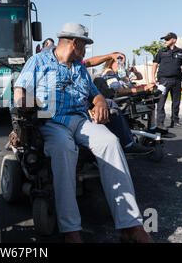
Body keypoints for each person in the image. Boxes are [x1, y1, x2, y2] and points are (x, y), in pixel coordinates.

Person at [11, 22, 153, 243]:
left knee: (110, 142)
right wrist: (28, 102)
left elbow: (95, 95)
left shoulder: (79, 68)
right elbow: (19, 92)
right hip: (51, 122)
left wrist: (100, 104)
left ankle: (130, 224)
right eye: (84, 45)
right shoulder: (38, 61)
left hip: (80, 120)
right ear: (75, 43)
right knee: (64, 149)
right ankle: (71, 230)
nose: (86, 51)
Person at [151, 32, 182, 129]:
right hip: (163, 80)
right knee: (161, 102)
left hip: (177, 81)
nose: (165, 41)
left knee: (176, 102)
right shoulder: (161, 52)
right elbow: (155, 64)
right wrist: (153, 78)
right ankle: (160, 124)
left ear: (174, 40)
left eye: (167, 39)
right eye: (165, 39)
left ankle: (175, 121)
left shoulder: (181, 52)